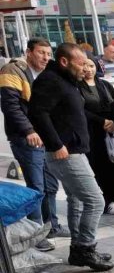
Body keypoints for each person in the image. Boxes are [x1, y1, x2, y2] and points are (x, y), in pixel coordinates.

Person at [28, 44, 113, 271]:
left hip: (75, 150)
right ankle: (85, 247)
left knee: (76, 201)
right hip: (65, 153)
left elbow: (73, 111)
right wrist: (56, 144)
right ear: (65, 61)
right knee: (96, 201)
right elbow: (37, 113)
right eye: (80, 63)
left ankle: (79, 250)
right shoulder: (51, 80)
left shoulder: (66, 80)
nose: (85, 68)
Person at [0, 36, 65, 249]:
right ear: (29, 52)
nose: (46, 57)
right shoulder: (13, 70)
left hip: (46, 135)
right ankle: (36, 233)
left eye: (48, 53)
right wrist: (28, 130)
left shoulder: (48, 72)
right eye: (41, 53)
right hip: (26, 137)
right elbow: (10, 106)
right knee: (36, 185)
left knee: (51, 183)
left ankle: (51, 224)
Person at [78, 58, 114, 215]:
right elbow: (82, 110)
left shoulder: (105, 85)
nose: (88, 69)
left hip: (112, 129)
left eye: (91, 65)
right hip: (94, 131)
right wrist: (102, 121)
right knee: (101, 166)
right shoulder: (77, 88)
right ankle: (107, 201)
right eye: (84, 65)